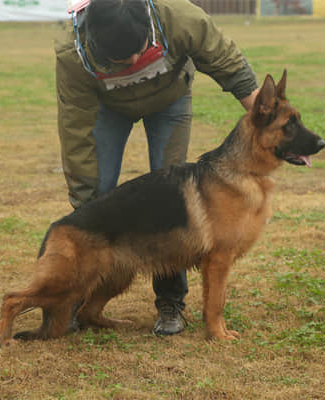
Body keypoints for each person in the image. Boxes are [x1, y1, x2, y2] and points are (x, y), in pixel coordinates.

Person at [55, 0, 259, 335]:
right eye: (120, 61)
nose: (134, 63)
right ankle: (76, 299)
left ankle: (170, 303)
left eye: (139, 51)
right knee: (97, 195)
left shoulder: (177, 17)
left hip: (169, 102)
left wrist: (266, 119)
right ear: (95, 42)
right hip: (109, 109)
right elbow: (77, 129)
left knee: (172, 202)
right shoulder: (73, 54)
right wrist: (85, 202)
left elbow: (228, 63)